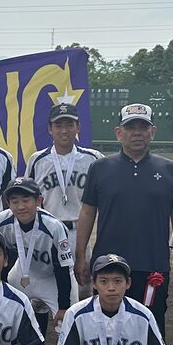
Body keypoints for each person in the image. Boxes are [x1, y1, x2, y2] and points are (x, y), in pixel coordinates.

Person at [73, 103, 173, 345]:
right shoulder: (101, 168)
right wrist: (81, 255)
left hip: (152, 268)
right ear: (119, 133)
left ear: (152, 131)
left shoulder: (169, 169)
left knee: (151, 330)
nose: (136, 133)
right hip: (108, 270)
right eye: (130, 128)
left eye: (143, 127)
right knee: (100, 328)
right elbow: (87, 213)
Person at [0, 177, 73, 345]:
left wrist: (63, 306)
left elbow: (62, 269)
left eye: (26, 200)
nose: (20, 206)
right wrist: (0, 291)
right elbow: (2, 255)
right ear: (7, 202)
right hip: (22, 273)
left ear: (38, 200)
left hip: (53, 278)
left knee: (66, 324)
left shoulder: (54, 226)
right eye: (14, 201)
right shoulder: (2, 220)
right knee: (4, 314)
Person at [24, 101, 104, 285]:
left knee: (82, 286)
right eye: (58, 125)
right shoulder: (38, 160)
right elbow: (28, 197)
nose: (64, 131)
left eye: (69, 125)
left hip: (81, 232)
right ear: (50, 129)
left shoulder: (93, 158)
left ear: (78, 127)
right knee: (45, 285)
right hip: (48, 231)